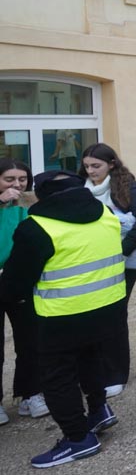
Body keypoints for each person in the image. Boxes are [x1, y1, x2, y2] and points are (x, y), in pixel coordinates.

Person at [0, 171, 125, 467]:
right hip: (107, 308)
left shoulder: (37, 228)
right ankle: (98, 410)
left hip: (61, 316)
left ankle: (77, 438)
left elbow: (15, 284)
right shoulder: (105, 213)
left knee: (58, 378)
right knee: (90, 359)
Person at [81, 143, 136, 397]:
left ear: (111, 164)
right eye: (87, 167)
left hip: (122, 263)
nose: (91, 171)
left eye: (96, 166)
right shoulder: (79, 188)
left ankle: (116, 373)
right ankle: (92, 368)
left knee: (114, 314)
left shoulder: (125, 186)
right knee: (90, 314)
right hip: (89, 261)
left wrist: (123, 250)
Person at [1, 158, 48, 424]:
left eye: (22, 179)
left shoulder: (30, 203)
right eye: (9, 179)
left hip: (20, 278)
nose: (17, 185)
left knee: (30, 339)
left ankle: (30, 394)